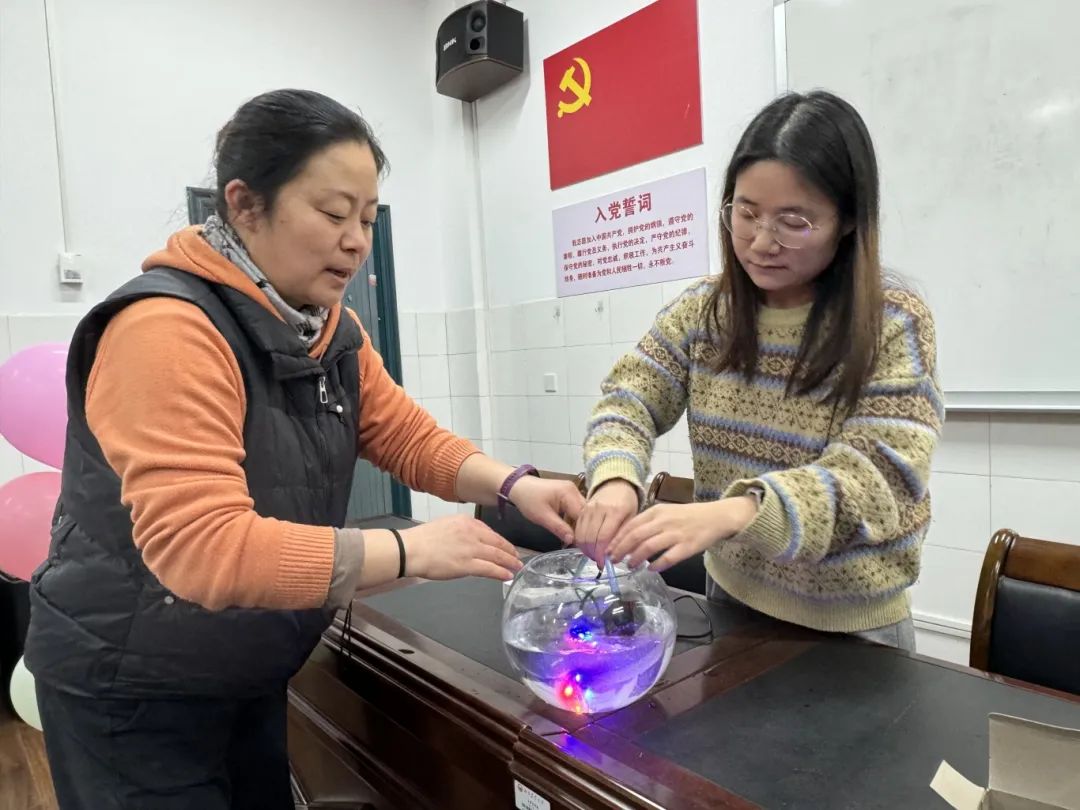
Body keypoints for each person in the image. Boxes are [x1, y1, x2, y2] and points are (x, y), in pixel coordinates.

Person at [24, 88, 584, 810]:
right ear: (245, 205)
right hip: (132, 688)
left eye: (368, 218)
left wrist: (513, 486)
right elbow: (202, 548)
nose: (356, 240)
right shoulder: (165, 329)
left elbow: (405, 436)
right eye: (332, 213)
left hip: (244, 664)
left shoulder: (329, 330)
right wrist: (411, 551)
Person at [575, 91, 942, 651]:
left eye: (794, 222)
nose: (762, 242)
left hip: (855, 626)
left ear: (847, 221)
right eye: (745, 214)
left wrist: (739, 511)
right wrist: (615, 478)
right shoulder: (705, 311)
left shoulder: (892, 322)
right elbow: (629, 399)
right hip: (731, 600)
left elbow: (876, 479)